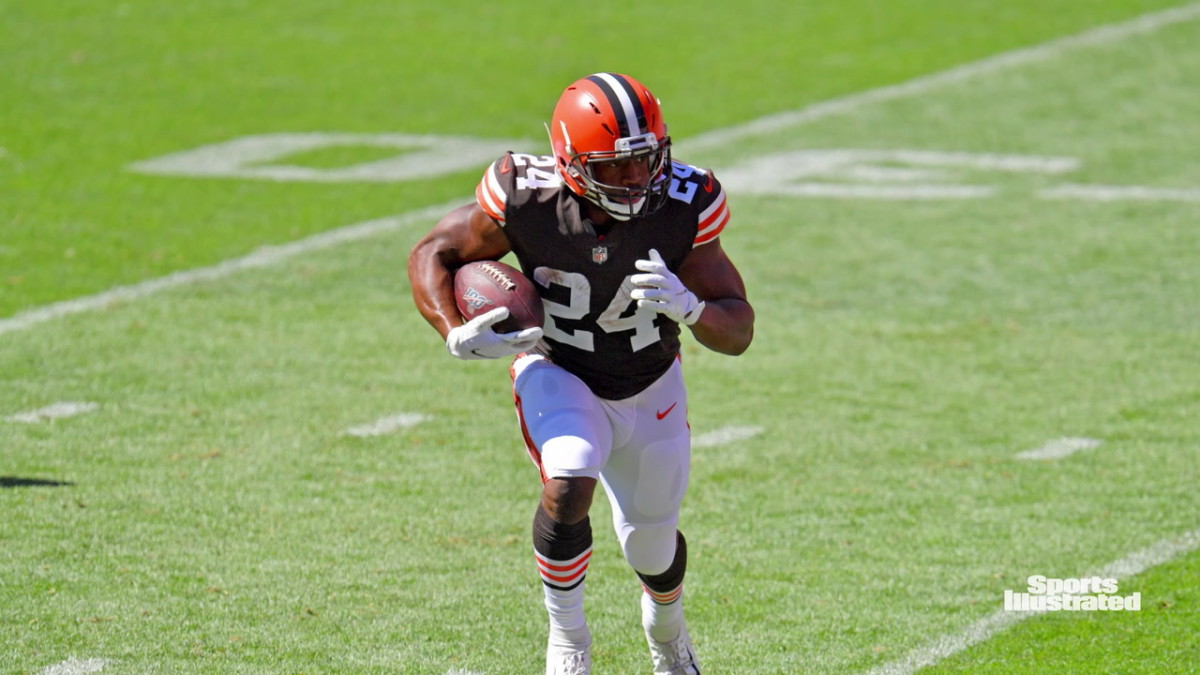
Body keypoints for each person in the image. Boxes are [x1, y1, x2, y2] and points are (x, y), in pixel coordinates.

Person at [408, 72, 754, 675]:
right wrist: (452, 331)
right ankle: (568, 641)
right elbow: (433, 253)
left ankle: (667, 628)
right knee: (569, 475)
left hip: (648, 380)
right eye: (615, 167)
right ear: (569, 161)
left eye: (645, 160)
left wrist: (692, 309)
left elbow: (739, 328)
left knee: (652, 545)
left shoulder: (684, 203)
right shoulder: (524, 195)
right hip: (557, 363)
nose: (635, 178)